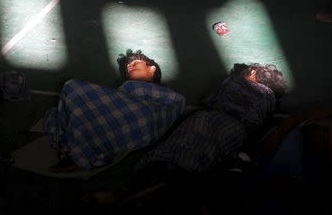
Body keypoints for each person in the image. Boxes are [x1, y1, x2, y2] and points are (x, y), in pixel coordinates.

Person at [87, 63, 288, 209]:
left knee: (179, 152)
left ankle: (144, 187)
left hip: (212, 124)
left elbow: (214, 98)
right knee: (194, 160)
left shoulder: (235, 83)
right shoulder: (270, 101)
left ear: (253, 72)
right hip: (234, 133)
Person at [43, 49, 186, 172]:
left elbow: (176, 104)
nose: (130, 66)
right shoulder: (121, 95)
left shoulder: (166, 94)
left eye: (135, 63)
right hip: (127, 125)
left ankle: (78, 153)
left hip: (144, 120)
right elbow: (112, 107)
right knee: (60, 110)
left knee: (72, 87)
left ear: (152, 68)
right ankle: (83, 151)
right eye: (128, 65)